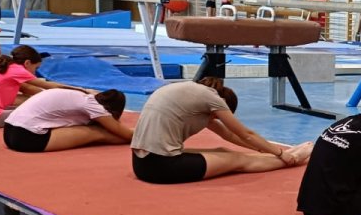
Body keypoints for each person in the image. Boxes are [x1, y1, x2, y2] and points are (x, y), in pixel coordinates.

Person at [130, 77, 307, 184]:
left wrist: (266, 150)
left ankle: (287, 154)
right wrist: (281, 153)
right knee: (236, 159)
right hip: (161, 168)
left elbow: (227, 135)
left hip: (141, 163)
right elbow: (245, 134)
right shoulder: (212, 98)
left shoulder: (187, 91)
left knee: (221, 152)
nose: (214, 120)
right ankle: (295, 158)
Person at [0, 46, 77, 128]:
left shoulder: (1, 66)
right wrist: (81, 93)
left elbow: (31, 91)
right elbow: (50, 86)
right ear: (27, 63)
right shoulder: (17, 70)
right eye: (36, 68)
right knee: (44, 112)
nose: (35, 73)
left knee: (31, 101)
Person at [4, 88, 133, 152]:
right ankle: (148, 139)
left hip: (9, 130)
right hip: (26, 138)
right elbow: (124, 134)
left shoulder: (83, 97)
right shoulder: (93, 106)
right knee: (98, 132)